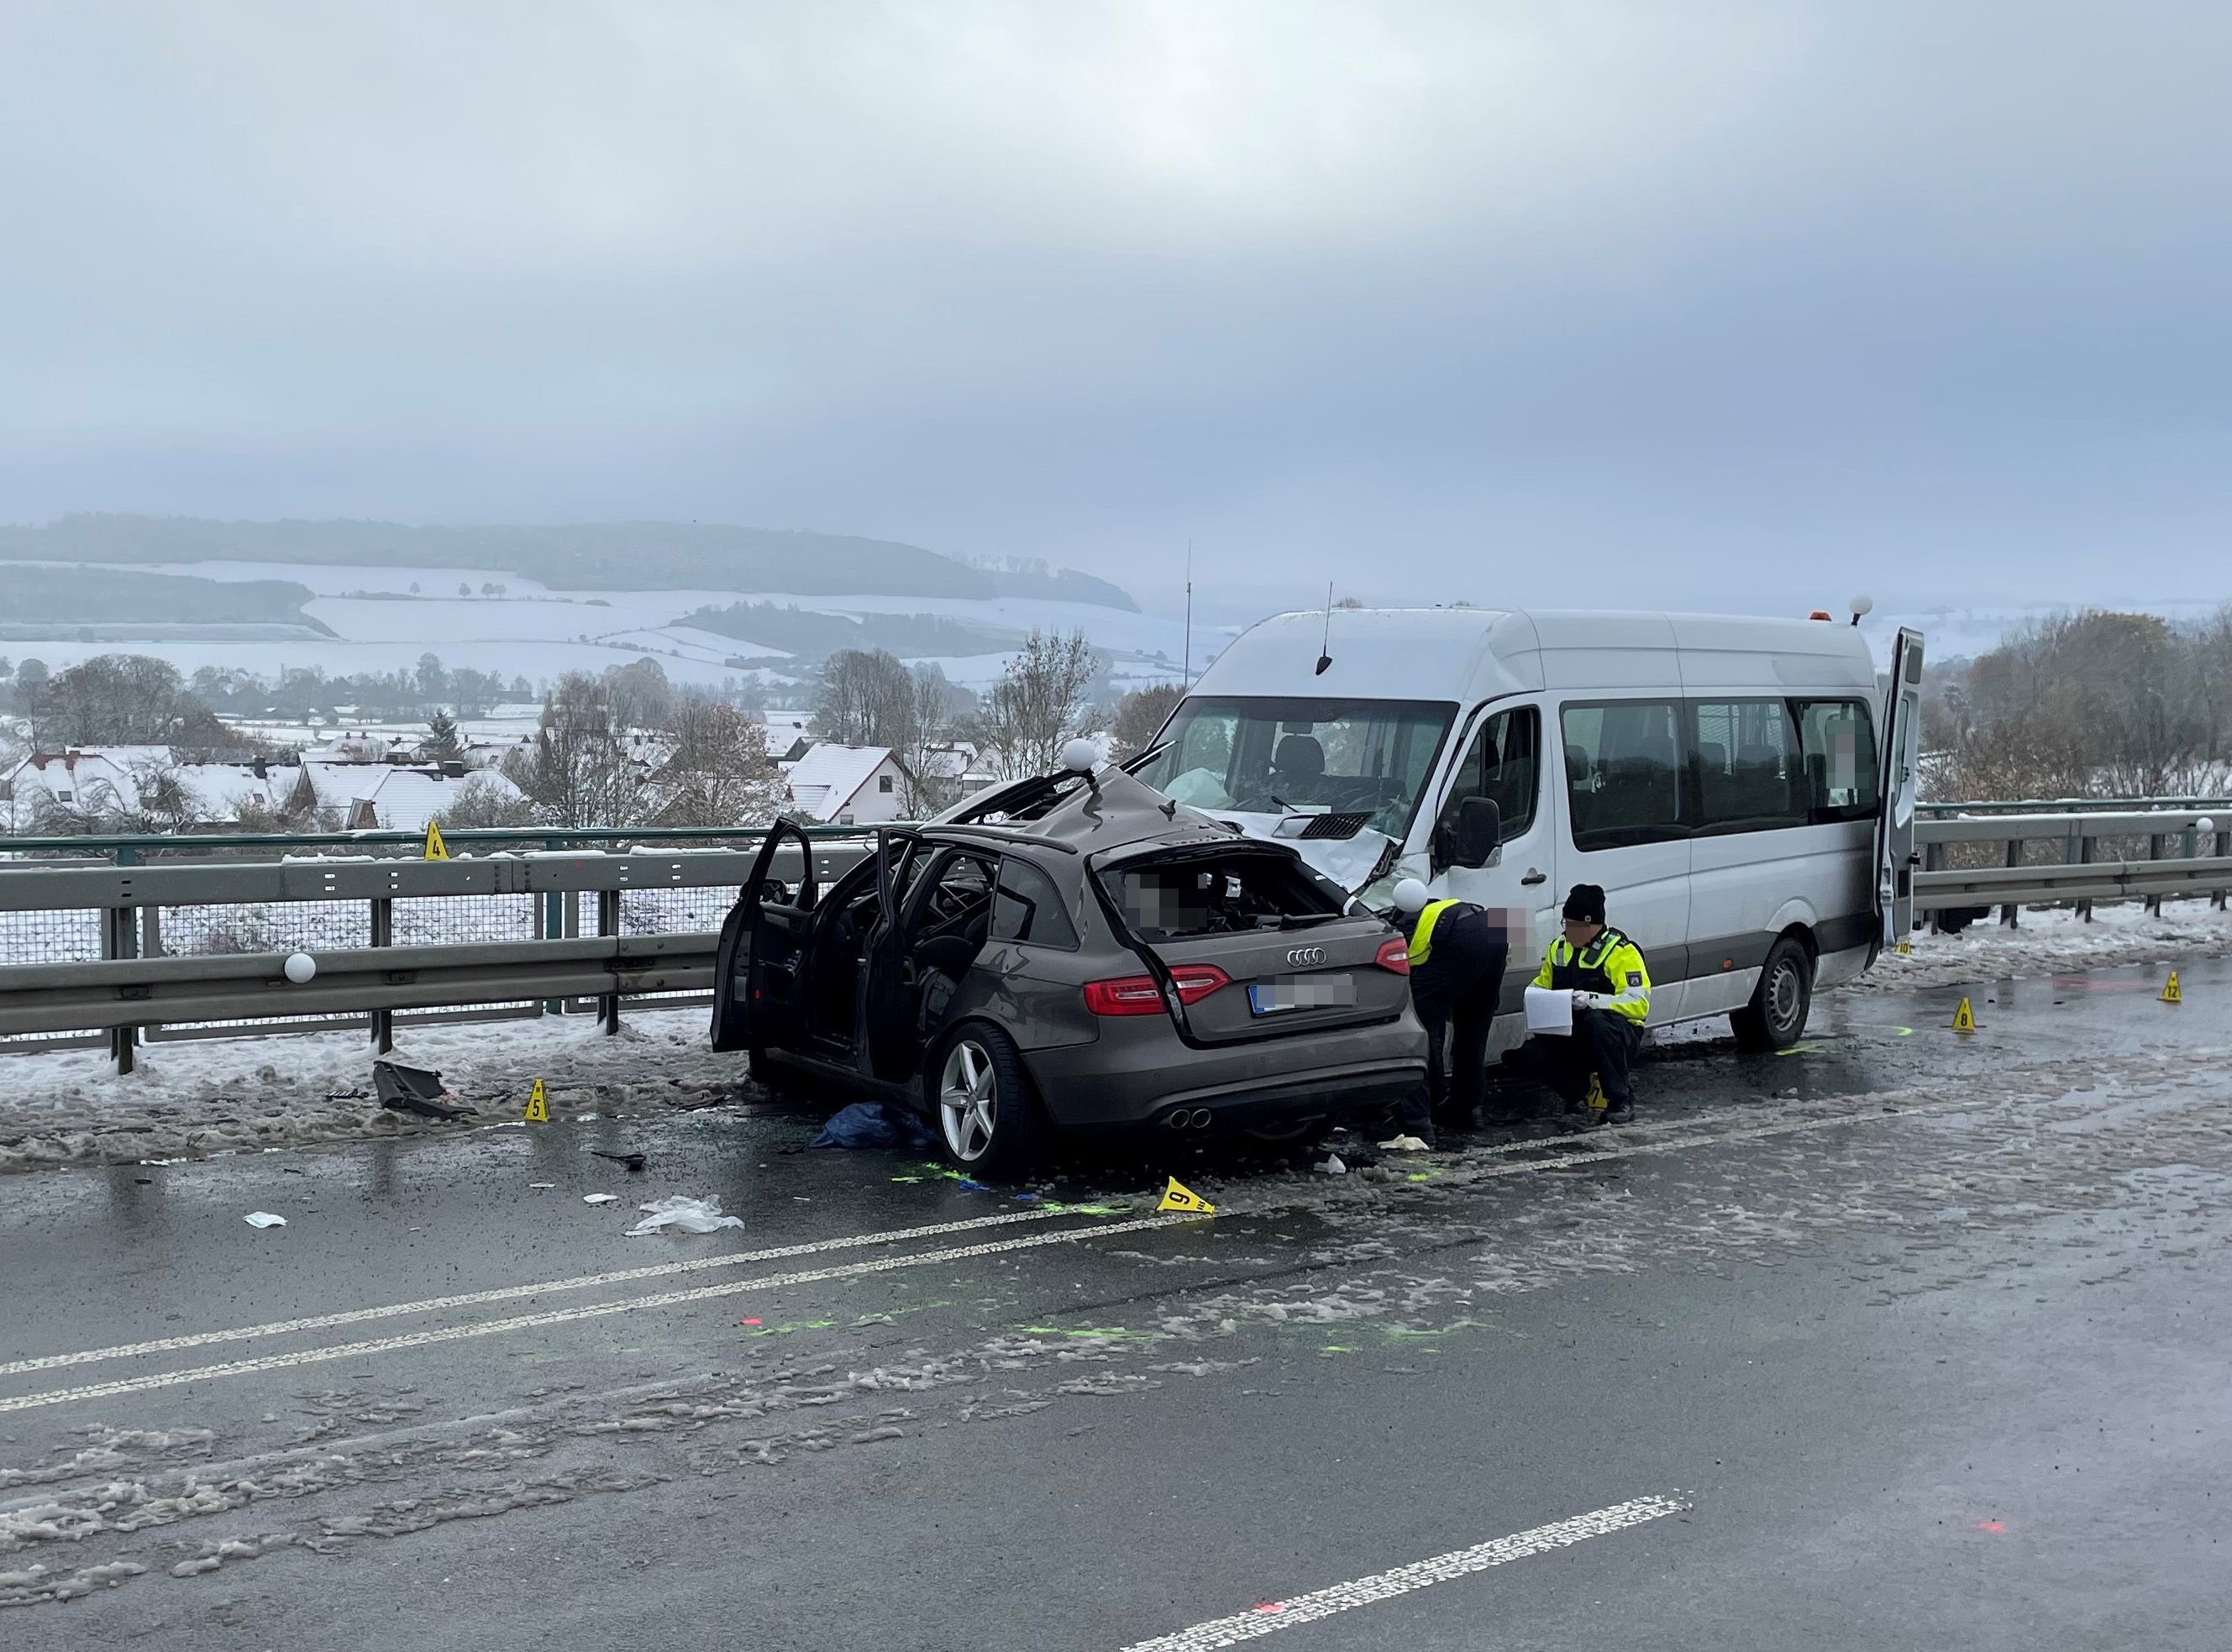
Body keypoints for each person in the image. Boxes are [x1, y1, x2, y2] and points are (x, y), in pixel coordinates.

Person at [1517, 883, 1651, 1128]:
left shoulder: (1622, 952)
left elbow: (1638, 1003)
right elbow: (1542, 983)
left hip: (1617, 1035)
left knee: (1598, 1022)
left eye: (1573, 926)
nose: (1567, 932)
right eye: (1565, 924)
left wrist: (1591, 1001)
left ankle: (1620, 1101)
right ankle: (1576, 1091)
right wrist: (1533, 996)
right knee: (1528, 1055)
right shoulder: (1559, 947)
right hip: (1570, 1031)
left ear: (1593, 925)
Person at [1389, 877, 1510, 1140]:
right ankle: (1468, 1108)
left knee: (1415, 1028)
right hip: (1498, 925)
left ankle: (1418, 1122)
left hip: (1463, 938)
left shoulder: (1393, 927)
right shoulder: (1432, 908)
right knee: (1473, 1029)